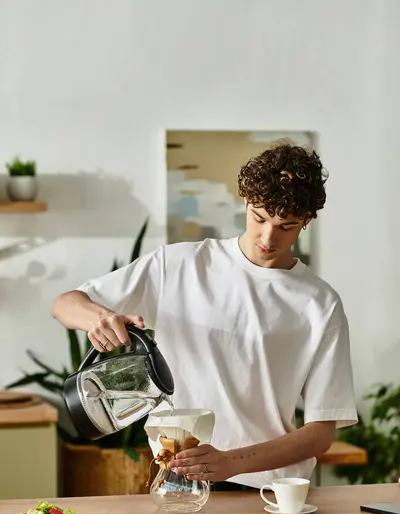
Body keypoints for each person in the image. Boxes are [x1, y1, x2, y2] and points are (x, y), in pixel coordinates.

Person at [52, 144, 357, 491]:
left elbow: (320, 433)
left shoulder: (320, 303)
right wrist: (99, 318)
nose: (269, 237)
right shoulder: (179, 265)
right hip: (177, 478)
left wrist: (231, 461)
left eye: (286, 225)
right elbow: (64, 304)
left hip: (272, 490)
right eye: (259, 218)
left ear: (307, 220)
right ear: (245, 200)